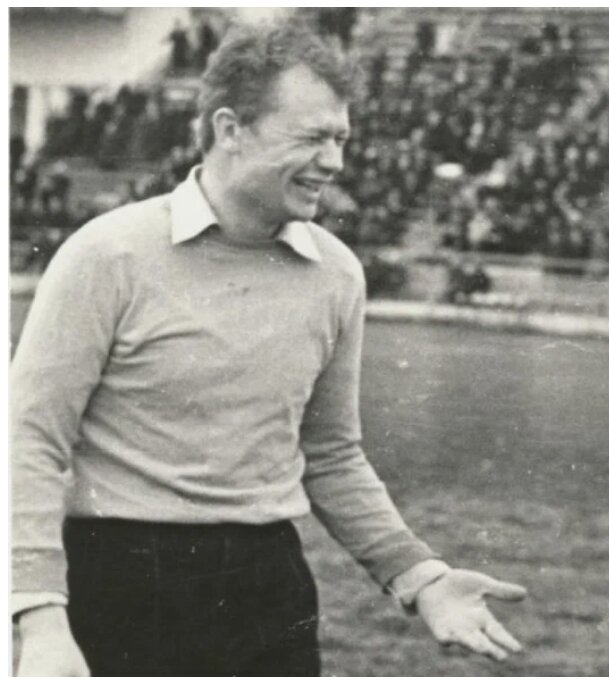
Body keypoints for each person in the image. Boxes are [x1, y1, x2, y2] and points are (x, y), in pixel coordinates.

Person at [11, 20, 525, 677]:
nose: (335, 162)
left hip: (269, 587)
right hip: (118, 582)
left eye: (341, 139)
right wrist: (41, 621)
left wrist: (420, 576)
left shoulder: (336, 275)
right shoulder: (107, 254)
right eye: (312, 138)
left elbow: (330, 453)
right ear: (231, 129)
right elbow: (28, 440)